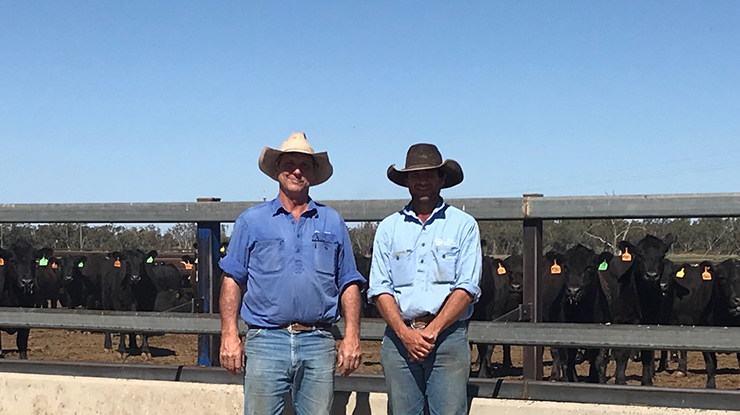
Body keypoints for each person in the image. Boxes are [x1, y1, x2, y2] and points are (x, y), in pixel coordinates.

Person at [218, 132, 365, 415]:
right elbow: (233, 279)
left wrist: (351, 337)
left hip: (318, 340)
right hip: (265, 339)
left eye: (305, 165)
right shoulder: (252, 220)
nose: (297, 170)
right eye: (289, 164)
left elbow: (348, 282)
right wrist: (229, 335)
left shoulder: (332, 221)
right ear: (277, 170)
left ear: (314, 173)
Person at [367, 143, 482, 415]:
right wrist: (405, 334)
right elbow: (380, 287)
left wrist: (431, 331)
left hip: (447, 338)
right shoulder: (388, 228)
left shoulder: (463, 225)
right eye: (416, 175)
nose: (422, 181)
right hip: (399, 338)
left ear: (442, 180)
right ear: (407, 181)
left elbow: (467, 287)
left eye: (430, 174)